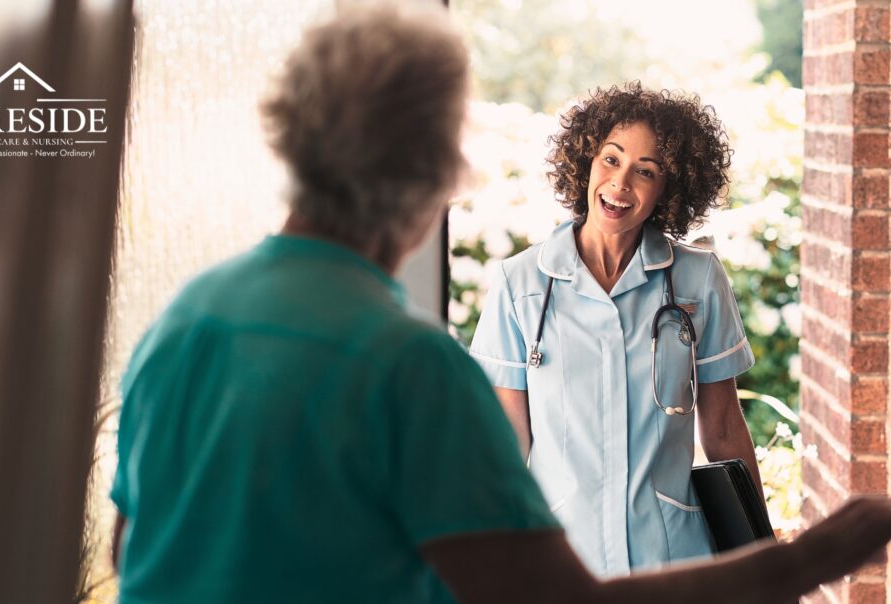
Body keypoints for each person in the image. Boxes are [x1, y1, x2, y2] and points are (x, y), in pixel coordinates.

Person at [110, 4, 891, 603]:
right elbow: (550, 598)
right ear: (431, 179)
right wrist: (804, 562)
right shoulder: (411, 365)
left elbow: (131, 546)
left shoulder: (185, 319)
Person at [469, 82, 762, 576]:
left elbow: (725, 426)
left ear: (670, 189)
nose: (620, 184)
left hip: (674, 555)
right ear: (585, 159)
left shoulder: (697, 278)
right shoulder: (520, 284)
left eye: (645, 171)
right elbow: (506, 441)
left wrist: (763, 559)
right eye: (610, 159)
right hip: (562, 559)